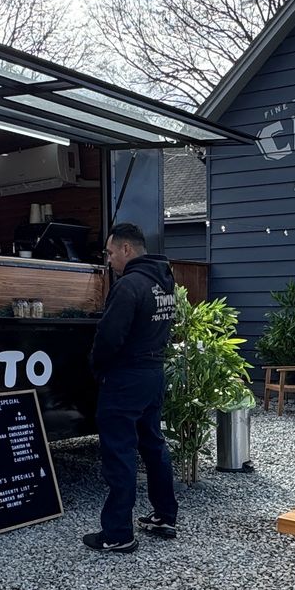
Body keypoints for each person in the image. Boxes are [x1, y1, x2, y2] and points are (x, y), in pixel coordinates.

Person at [83, 222, 179, 553]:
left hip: (126, 378)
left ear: (127, 249)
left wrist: (97, 366)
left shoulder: (128, 286)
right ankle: (165, 515)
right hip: (154, 374)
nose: (108, 259)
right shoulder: (165, 283)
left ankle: (117, 533)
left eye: (110, 253)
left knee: (119, 453)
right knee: (153, 445)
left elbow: (109, 337)